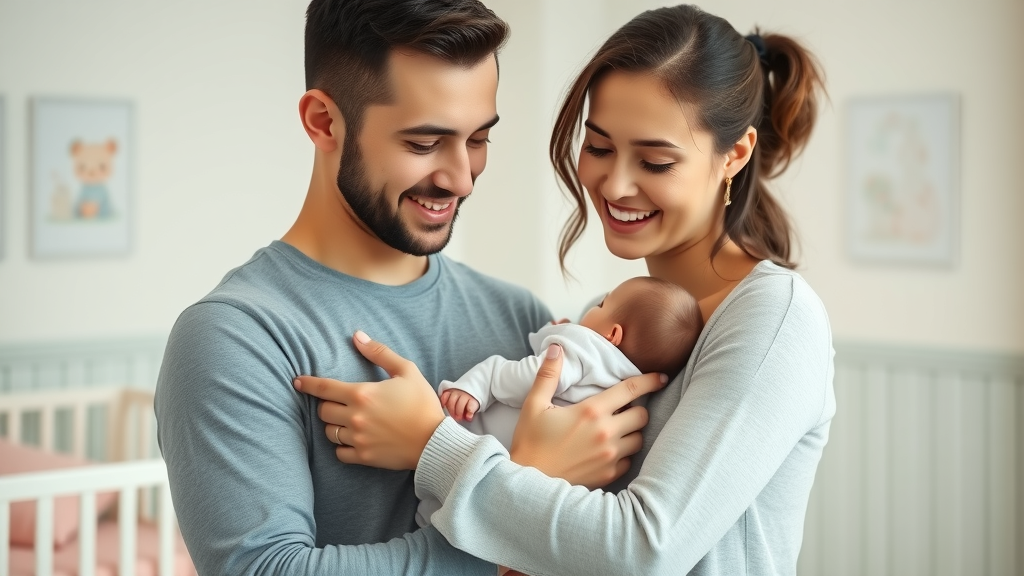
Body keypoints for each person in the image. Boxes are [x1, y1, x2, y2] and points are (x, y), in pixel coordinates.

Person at [295, 4, 836, 575]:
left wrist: (433, 445)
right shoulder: (600, 326)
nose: (616, 185)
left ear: (736, 155)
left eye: (655, 161)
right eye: (598, 148)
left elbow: (645, 551)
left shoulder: (773, 318)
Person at [153, 1, 662, 575]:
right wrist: (522, 497)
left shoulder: (518, 316)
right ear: (323, 122)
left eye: (478, 139)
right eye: (424, 143)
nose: (462, 178)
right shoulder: (232, 338)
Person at [417, 276, 703, 526]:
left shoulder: (582, 351)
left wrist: (477, 386)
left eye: (601, 304)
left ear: (613, 334)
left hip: (475, 441)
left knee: (494, 371)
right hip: (529, 491)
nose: (593, 308)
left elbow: (520, 379)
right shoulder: (637, 396)